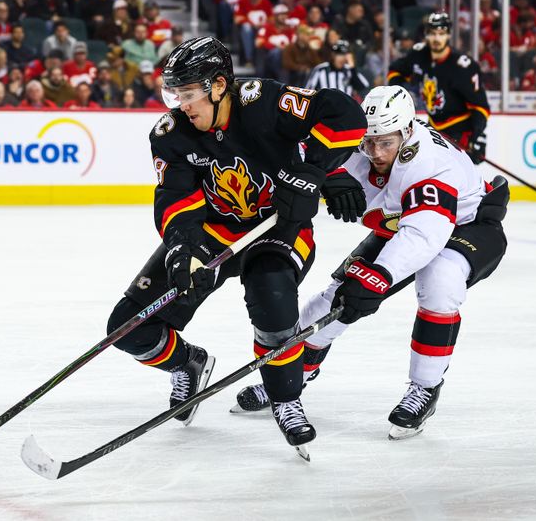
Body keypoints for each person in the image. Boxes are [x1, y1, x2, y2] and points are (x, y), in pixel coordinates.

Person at [104, 36, 366, 453]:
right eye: (175, 93)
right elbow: (176, 199)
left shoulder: (261, 100)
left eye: (189, 93)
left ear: (219, 85)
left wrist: (315, 170)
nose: (181, 104)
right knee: (128, 328)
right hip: (212, 231)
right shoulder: (171, 134)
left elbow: (343, 114)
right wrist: (182, 250)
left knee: (272, 298)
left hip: (275, 228)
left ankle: (286, 399)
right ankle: (188, 362)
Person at [232, 85, 509, 442]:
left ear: (407, 131)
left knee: (439, 283)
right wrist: (327, 175)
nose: (375, 152)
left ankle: (425, 387)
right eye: (370, 142)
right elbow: (301, 147)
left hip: (466, 223)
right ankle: (291, 376)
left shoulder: (430, 165)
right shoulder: (368, 142)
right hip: (403, 221)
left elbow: (423, 236)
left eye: (386, 143)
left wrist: (377, 276)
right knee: (332, 303)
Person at [387, 12, 490, 165]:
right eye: (432, 34)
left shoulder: (463, 66)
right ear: (426, 35)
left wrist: (477, 137)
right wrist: (399, 94)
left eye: (441, 34)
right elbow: (395, 71)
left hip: (459, 130)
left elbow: (480, 107)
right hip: (433, 128)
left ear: (448, 35)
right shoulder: (418, 54)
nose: (436, 39)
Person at [304, 39, 369, 98]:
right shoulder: (321, 69)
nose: (342, 58)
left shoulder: (349, 70)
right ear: (333, 55)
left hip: (345, 107)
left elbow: (362, 87)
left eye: (344, 55)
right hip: (326, 107)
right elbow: (308, 90)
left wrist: (352, 68)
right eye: (339, 54)